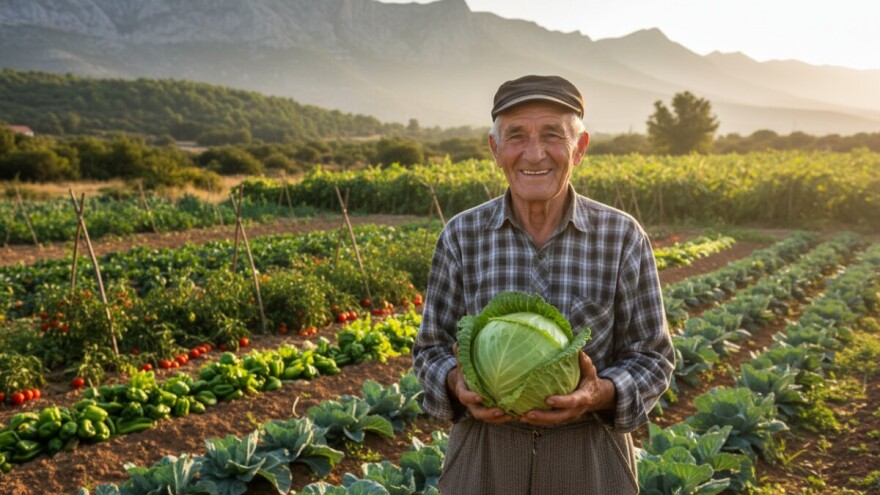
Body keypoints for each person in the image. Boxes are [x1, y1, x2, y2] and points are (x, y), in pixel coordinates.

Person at [412, 74, 675, 494]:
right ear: (495, 150)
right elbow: (429, 348)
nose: (534, 154)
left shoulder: (622, 236)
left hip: (589, 456)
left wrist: (597, 393)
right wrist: (454, 382)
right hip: (484, 456)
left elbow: (653, 357)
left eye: (552, 135)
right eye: (516, 136)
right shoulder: (462, 235)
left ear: (580, 148)